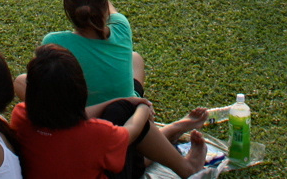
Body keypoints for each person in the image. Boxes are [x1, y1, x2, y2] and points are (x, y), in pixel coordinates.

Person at [11, 44, 208, 179]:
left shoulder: (21, 116)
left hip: (88, 151)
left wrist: (120, 101)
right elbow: (131, 131)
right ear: (80, 90)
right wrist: (140, 107)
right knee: (122, 116)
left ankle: (170, 132)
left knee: (117, 112)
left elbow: (65, 118)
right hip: (108, 157)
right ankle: (187, 167)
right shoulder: (95, 135)